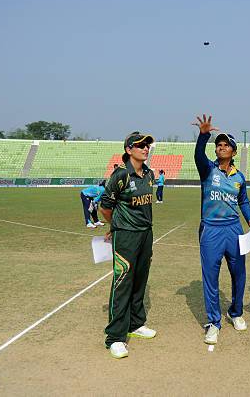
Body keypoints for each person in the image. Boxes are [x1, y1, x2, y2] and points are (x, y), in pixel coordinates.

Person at [192, 114, 250, 345]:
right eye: (218, 145)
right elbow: (198, 155)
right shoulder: (208, 170)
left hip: (233, 230)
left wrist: (249, 220)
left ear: (233, 151)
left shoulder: (239, 176)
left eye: (225, 145)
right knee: (210, 277)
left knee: (239, 274)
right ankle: (213, 322)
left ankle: (236, 312)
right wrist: (203, 136)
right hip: (211, 230)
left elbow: (244, 200)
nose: (221, 147)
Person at [99, 131, 157, 359]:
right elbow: (105, 207)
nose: (146, 148)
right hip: (126, 237)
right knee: (122, 283)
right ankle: (115, 337)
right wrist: (116, 226)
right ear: (128, 149)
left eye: (147, 145)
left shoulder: (150, 175)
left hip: (146, 234)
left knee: (140, 281)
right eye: (141, 145)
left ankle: (136, 323)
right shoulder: (121, 175)